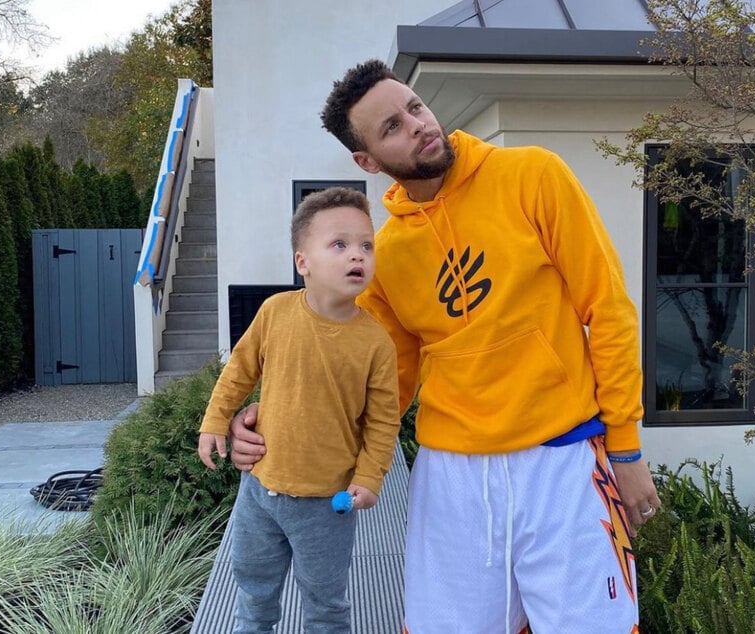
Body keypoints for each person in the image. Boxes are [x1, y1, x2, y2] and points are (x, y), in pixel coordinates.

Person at [229, 60, 661, 633]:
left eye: (414, 106)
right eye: (391, 128)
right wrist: (278, 422)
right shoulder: (387, 259)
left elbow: (606, 311)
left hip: (564, 459)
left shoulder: (533, 175)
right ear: (367, 162)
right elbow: (382, 385)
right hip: (451, 477)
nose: (417, 125)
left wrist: (626, 452)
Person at [197, 186, 400, 634]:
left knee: (325, 604)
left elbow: (384, 421)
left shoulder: (376, 343)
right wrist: (215, 420)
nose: (357, 256)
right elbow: (238, 372)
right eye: (340, 244)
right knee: (253, 593)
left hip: (327, 505)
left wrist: (369, 476)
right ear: (302, 262)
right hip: (260, 493)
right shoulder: (274, 313)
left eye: (367, 245)